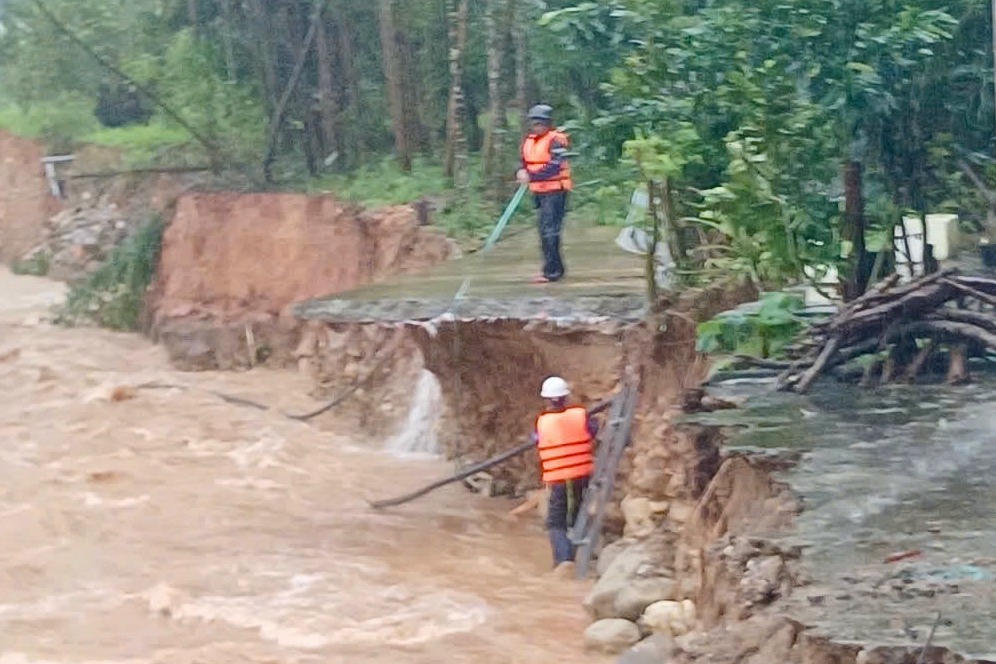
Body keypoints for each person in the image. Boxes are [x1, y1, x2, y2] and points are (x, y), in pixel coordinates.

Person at [532, 376, 597, 570]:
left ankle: (564, 561)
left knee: (555, 523)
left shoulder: (542, 422)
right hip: (582, 475)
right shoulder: (580, 415)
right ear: (565, 397)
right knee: (575, 512)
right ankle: (576, 552)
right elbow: (593, 430)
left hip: (560, 479)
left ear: (546, 399)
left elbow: (536, 438)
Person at [517, 104, 573, 284]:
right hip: (539, 192)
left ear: (548, 124)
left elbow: (555, 166)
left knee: (550, 231)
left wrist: (532, 176)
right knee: (544, 231)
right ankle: (555, 268)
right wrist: (522, 171)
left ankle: (552, 272)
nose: (538, 127)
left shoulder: (556, 141)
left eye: (541, 123)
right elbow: (524, 162)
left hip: (555, 191)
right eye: (535, 123)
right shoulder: (529, 141)